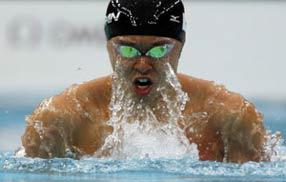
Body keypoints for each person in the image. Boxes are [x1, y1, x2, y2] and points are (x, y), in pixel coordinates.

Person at [21, 0, 269, 162]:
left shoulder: (231, 117)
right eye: (127, 51)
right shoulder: (61, 118)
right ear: (108, 47)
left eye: (159, 50)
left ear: (180, 47)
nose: (142, 64)